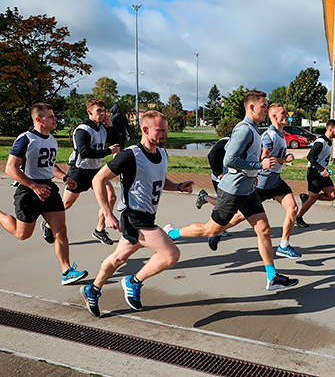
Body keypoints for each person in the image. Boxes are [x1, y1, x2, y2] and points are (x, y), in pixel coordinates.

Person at [163, 90, 299, 291]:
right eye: (263, 106)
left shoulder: (254, 129)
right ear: (251, 107)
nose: (266, 110)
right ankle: (172, 233)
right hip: (233, 191)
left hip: (248, 191)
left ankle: (272, 276)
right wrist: (261, 165)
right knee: (211, 229)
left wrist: (255, 173)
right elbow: (230, 160)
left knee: (264, 229)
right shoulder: (244, 129)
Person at [80, 111, 194, 318]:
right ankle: (134, 281)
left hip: (148, 217)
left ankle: (93, 290)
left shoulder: (162, 154)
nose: (165, 134)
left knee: (117, 258)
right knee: (171, 254)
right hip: (134, 217)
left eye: (166, 130)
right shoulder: (130, 155)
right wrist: (107, 214)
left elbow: (157, 181)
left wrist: (177, 186)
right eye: (160, 130)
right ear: (145, 129)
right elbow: (97, 180)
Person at [0, 103, 88, 285]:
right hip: (28, 191)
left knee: (61, 230)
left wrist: (65, 178)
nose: (56, 120)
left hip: (48, 189)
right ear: (39, 119)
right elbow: (10, 168)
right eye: (51, 117)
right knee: (22, 234)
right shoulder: (25, 139)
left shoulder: (51, 139)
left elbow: (49, 165)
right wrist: (33, 186)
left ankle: (66, 271)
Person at [42, 98, 121, 246]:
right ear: (89, 112)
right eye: (99, 111)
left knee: (111, 197)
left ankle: (100, 229)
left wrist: (110, 125)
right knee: (66, 203)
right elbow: (84, 152)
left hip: (96, 171)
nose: (102, 114)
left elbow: (116, 142)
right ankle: (47, 225)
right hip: (80, 170)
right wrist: (107, 152)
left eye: (104, 111)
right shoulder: (82, 130)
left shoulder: (102, 128)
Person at [295, 119, 335, 228]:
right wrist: (321, 169)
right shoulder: (320, 142)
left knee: (331, 196)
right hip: (314, 173)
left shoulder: (329, 141)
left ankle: (306, 197)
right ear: (330, 129)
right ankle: (299, 217)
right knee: (313, 198)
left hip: (323, 173)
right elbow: (310, 157)